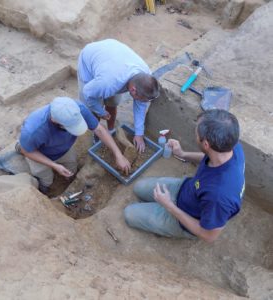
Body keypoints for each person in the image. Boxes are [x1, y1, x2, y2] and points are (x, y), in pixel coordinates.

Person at [124, 109, 245, 242]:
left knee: (129, 214)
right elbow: (209, 156)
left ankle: (172, 225)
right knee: (139, 188)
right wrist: (183, 154)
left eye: (197, 132)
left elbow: (208, 235)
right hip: (187, 190)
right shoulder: (231, 147)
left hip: (185, 218)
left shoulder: (218, 196)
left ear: (206, 144)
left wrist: (169, 206)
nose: (195, 133)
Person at [18, 97, 131, 194]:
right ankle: (44, 188)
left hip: (64, 148)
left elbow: (100, 130)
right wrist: (54, 165)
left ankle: (66, 180)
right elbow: (27, 151)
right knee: (46, 178)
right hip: (40, 154)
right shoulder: (33, 130)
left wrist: (118, 155)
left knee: (72, 168)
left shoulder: (76, 109)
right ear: (55, 121)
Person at [77, 39, 160, 152]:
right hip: (90, 59)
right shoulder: (108, 83)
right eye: (141, 99)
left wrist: (139, 133)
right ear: (133, 90)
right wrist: (100, 111)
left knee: (113, 102)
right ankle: (95, 134)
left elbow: (140, 106)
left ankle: (111, 131)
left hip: (113, 57)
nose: (141, 102)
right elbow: (88, 93)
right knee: (93, 110)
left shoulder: (146, 77)